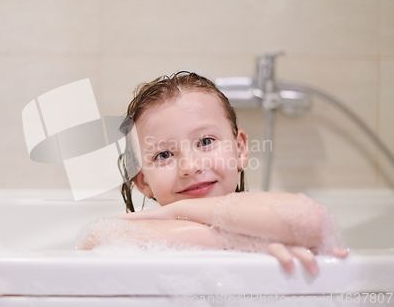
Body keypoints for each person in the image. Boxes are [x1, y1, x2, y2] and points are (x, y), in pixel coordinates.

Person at [76, 71, 348, 275]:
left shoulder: (262, 208)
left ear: (239, 149)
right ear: (143, 181)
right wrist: (241, 242)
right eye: (164, 155)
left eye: (205, 142)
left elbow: (313, 221)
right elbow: (94, 239)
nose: (190, 167)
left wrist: (172, 213)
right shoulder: (131, 236)